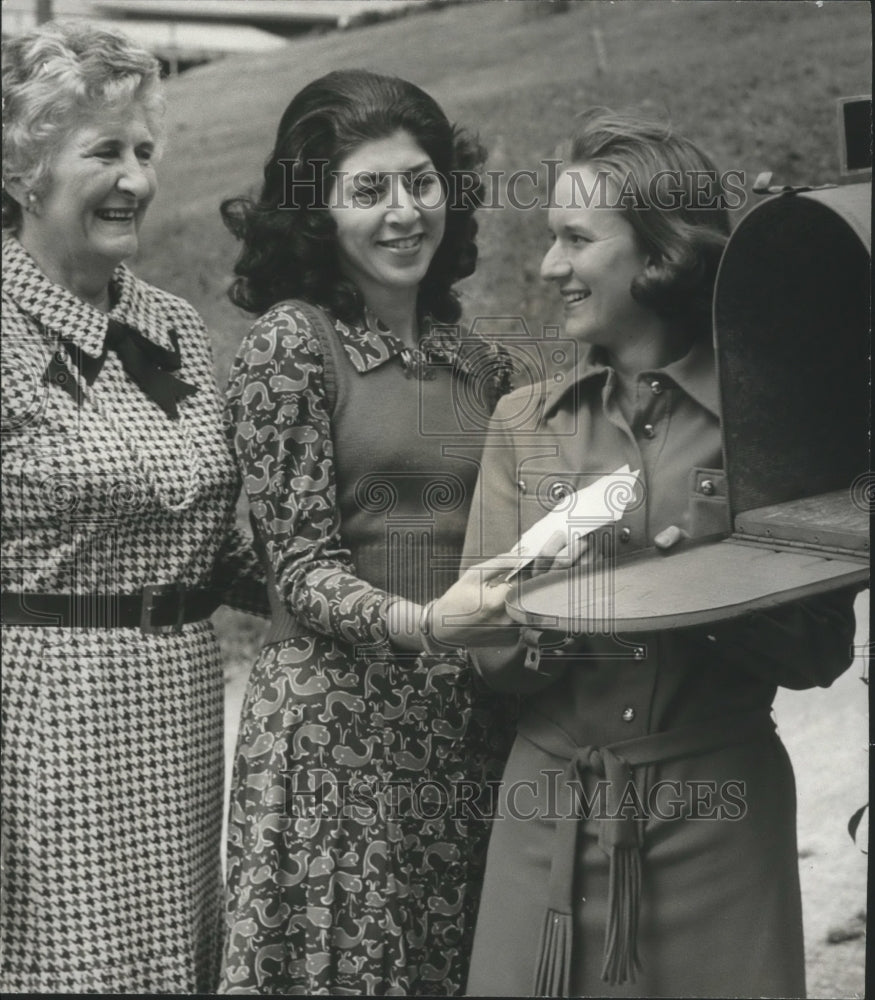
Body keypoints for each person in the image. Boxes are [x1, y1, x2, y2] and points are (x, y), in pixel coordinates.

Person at [461, 109, 859, 998]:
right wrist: (580, 588)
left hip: (718, 812)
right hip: (549, 815)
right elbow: (489, 655)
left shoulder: (769, 429)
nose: (547, 266)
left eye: (574, 239)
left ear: (659, 254)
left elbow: (818, 654)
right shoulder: (523, 424)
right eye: (549, 238)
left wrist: (708, 593)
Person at [218, 70, 518, 995]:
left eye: (420, 182)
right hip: (331, 741)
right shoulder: (294, 345)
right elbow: (297, 563)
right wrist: (423, 626)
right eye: (369, 190)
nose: (403, 213)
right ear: (318, 215)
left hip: (465, 731)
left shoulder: (485, 365)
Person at [1, 21, 265, 994]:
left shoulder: (172, 327)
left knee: (173, 963)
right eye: (104, 150)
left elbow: (208, 536)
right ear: (24, 167)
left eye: (144, 151)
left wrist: (363, 577)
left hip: (179, 705)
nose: (136, 179)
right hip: (48, 714)